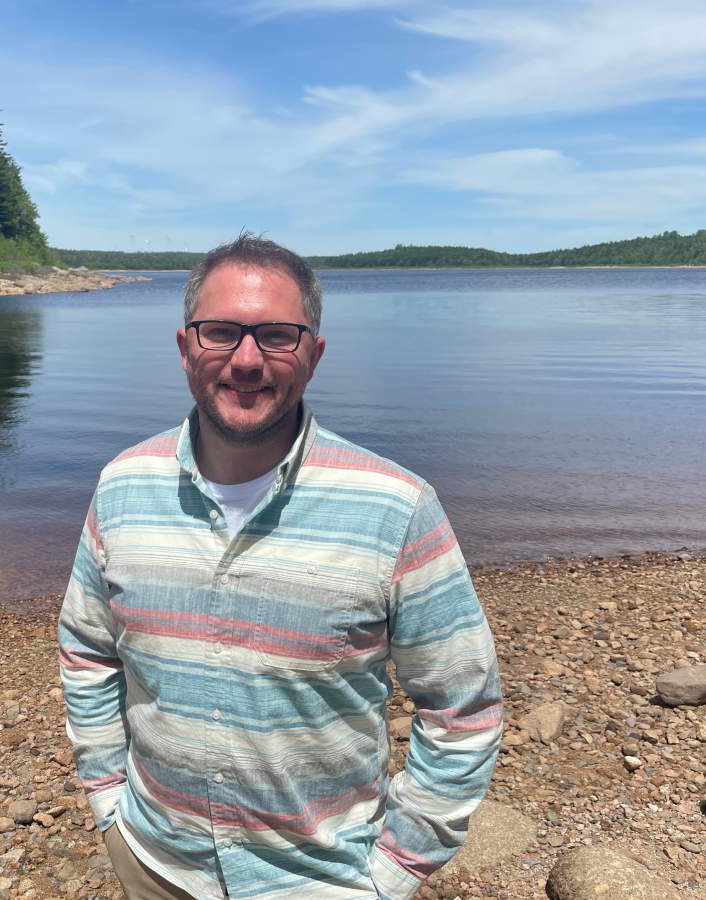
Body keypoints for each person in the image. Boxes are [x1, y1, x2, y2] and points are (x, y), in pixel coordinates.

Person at [58, 233, 502, 899]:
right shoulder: (123, 486)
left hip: (325, 882)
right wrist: (107, 800)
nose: (245, 359)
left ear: (313, 355)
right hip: (154, 862)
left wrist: (394, 870)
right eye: (220, 332)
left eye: (276, 336)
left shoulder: (397, 507)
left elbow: (462, 705)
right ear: (186, 348)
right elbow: (88, 649)